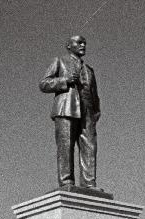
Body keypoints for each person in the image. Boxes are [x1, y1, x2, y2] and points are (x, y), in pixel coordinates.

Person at [39, 35, 101, 191]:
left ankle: (89, 183)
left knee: (90, 146)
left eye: (84, 43)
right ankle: (66, 182)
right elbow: (44, 84)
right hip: (66, 108)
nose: (83, 45)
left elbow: (94, 92)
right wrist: (64, 80)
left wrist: (96, 112)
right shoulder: (60, 61)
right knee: (65, 146)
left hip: (87, 112)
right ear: (69, 45)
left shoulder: (89, 70)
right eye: (79, 42)